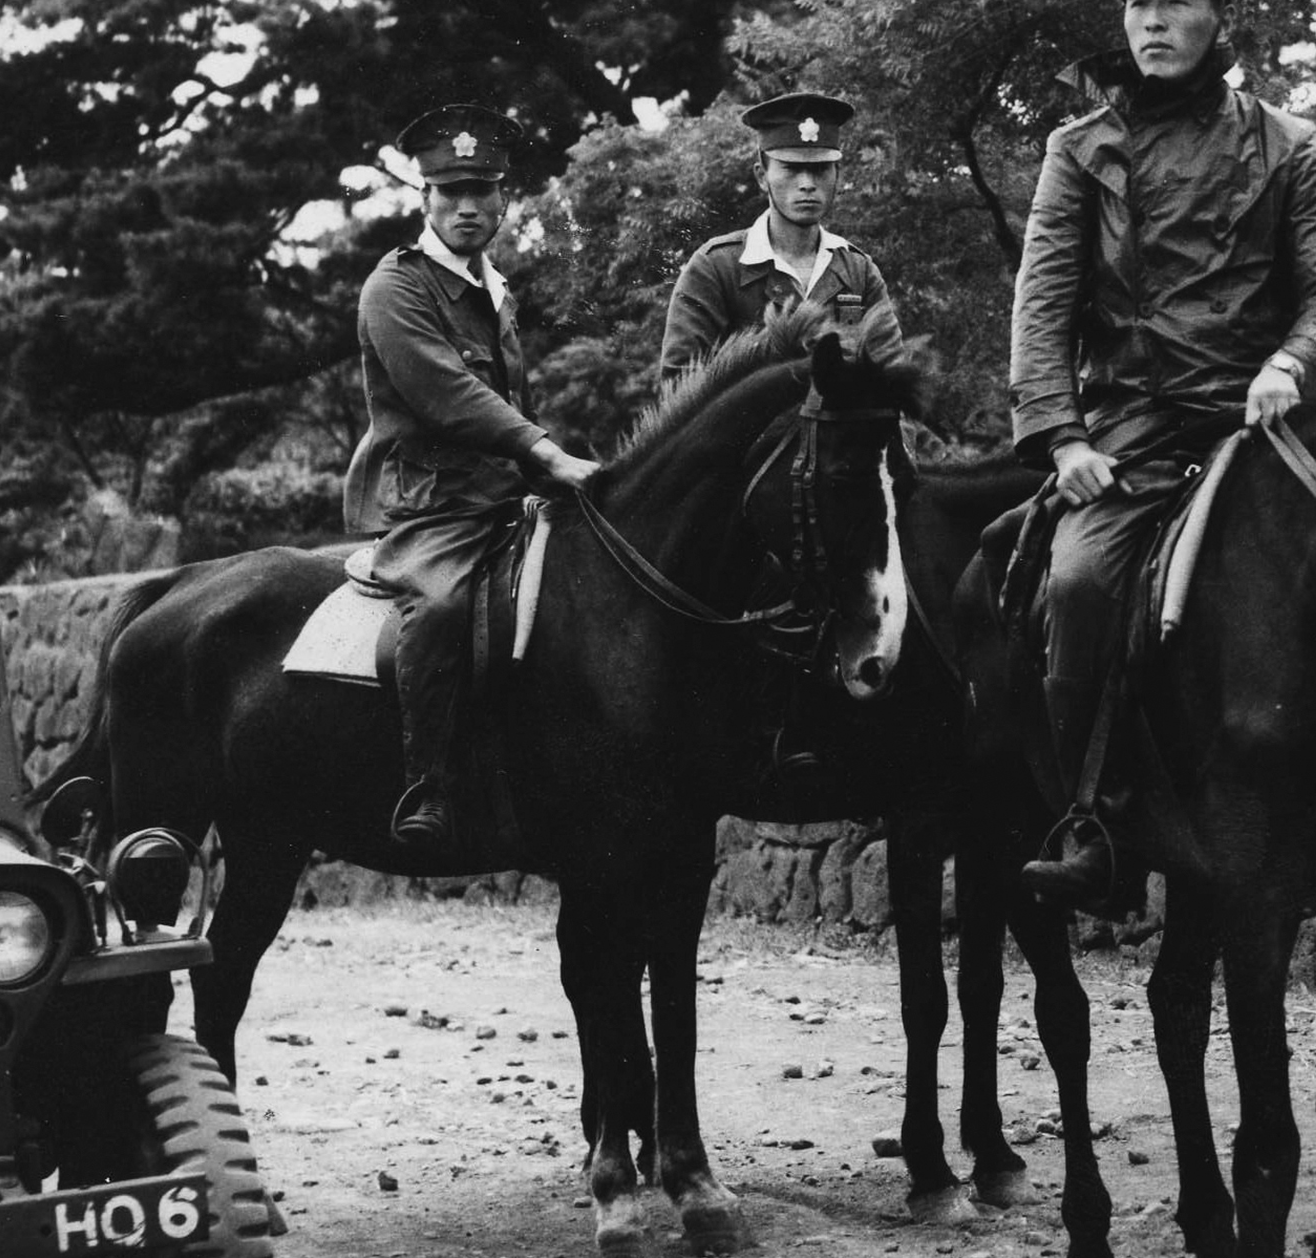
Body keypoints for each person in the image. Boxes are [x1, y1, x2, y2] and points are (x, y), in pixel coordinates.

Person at [1006, 0, 1316, 902]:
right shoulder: (1078, 150)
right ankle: (1093, 819)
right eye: (1139, 6)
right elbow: (1040, 311)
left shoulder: (1290, 143)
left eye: (1177, 4)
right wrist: (1061, 439)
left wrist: (1292, 363)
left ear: (1220, 17)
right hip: (1128, 431)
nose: (1153, 24)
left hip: (1263, 428)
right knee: (1078, 586)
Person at [343, 107, 604, 851]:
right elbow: (447, 394)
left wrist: (546, 470)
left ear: (502, 198)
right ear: (423, 195)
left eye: (483, 191)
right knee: (444, 601)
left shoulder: (491, 285)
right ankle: (429, 783)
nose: (468, 207)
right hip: (437, 506)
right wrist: (547, 452)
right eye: (450, 191)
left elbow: (506, 400)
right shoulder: (396, 287)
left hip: (505, 496)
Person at [660, 91, 906, 388]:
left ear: (837, 174)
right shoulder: (715, 268)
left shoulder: (858, 271)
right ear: (762, 176)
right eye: (791, 168)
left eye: (819, 169)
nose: (807, 184)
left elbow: (894, 386)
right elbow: (678, 395)